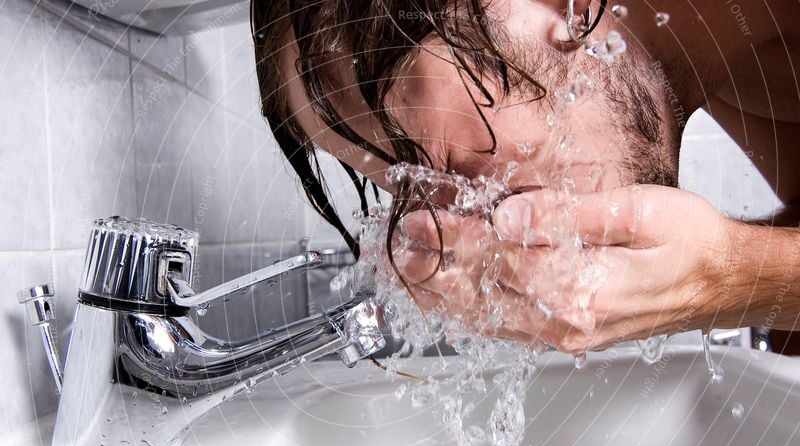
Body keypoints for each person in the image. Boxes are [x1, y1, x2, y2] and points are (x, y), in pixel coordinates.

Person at [251, 0, 800, 353]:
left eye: (461, 171)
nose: (463, 226)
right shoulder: (738, 62)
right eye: (416, 194)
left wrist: (727, 275)